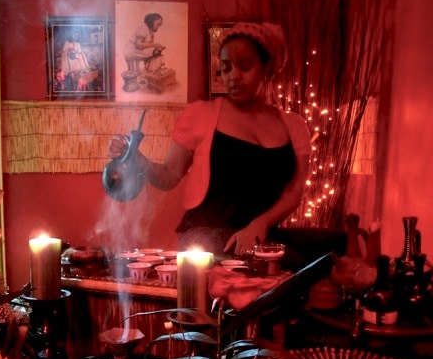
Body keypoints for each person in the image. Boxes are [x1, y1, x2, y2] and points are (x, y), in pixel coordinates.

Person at [109, 22, 311, 256]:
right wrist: (135, 157)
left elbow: (294, 192)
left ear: (267, 67)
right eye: (226, 68)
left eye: (245, 67)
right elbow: (168, 177)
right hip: (206, 238)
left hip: (261, 236)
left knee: (331, 246)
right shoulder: (201, 114)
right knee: (237, 253)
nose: (234, 76)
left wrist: (260, 224)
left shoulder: (294, 125)